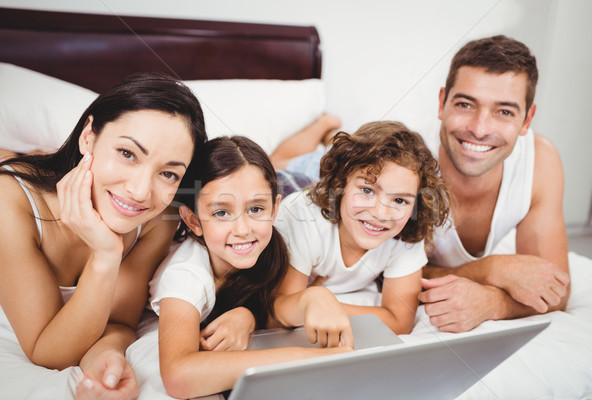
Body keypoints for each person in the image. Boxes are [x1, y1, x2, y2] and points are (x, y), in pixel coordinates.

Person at [0, 73, 207, 399]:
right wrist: (107, 254)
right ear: (88, 137)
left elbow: (120, 324)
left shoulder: (158, 218)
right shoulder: (10, 203)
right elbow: (47, 352)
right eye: (127, 153)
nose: (140, 191)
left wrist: (106, 360)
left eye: (168, 173)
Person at [142, 136, 349, 399]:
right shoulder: (185, 276)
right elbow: (178, 375)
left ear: (275, 209)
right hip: (294, 182)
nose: (242, 230)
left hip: (295, 181)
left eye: (255, 209)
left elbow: (268, 305)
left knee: (295, 169)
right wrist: (307, 359)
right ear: (193, 221)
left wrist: (311, 298)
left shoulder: (270, 245)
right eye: (221, 213)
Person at [417, 35, 571, 332]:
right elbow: (382, 274)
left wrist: (493, 302)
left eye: (504, 112)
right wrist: (491, 269)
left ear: (527, 119)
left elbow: (556, 291)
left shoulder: (541, 161)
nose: (479, 129)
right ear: (442, 103)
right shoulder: (405, 159)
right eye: (465, 104)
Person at [273, 121, 449, 347]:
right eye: (367, 190)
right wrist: (306, 304)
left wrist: (325, 306)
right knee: (275, 166)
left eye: (399, 200)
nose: (380, 213)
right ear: (341, 184)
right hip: (293, 185)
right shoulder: (303, 218)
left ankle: (330, 137)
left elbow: (399, 320)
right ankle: (323, 126)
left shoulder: (407, 228)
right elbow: (280, 313)